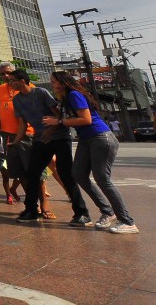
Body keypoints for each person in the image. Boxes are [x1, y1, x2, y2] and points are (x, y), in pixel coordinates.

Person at [45, 71, 138, 234]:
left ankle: (127, 221)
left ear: (63, 82)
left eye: (54, 82)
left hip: (99, 137)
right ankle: (107, 212)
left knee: (102, 178)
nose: (52, 85)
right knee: (79, 174)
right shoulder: (66, 99)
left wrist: (58, 121)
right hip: (86, 139)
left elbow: (86, 119)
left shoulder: (74, 95)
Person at [9, 69, 91, 226]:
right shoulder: (17, 100)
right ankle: (32, 210)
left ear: (22, 80)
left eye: (13, 80)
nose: (10, 83)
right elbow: (22, 124)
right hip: (40, 139)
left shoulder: (40, 92)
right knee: (32, 173)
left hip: (60, 136)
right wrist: (16, 141)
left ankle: (82, 213)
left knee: (66, 174)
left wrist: (50, 130)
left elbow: (60, 114)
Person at [0, 62, 29, 204]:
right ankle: (31, 202)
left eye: (8, 73)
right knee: (15, 170)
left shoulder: (28, 87)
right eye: (2, 74)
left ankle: (40, 203)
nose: (5, 76)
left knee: (31, 169)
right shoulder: (0, 89)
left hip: (27, 134)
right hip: (7, 135)